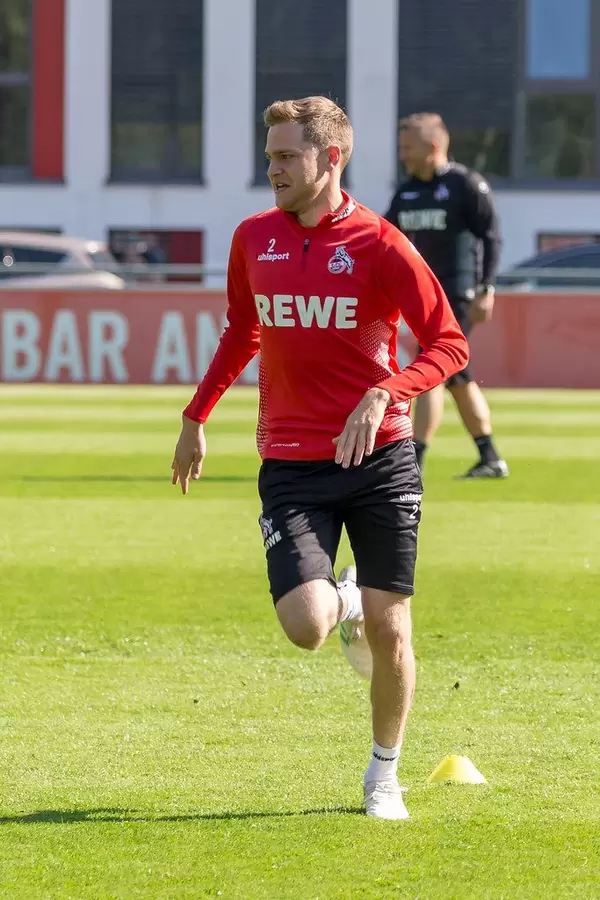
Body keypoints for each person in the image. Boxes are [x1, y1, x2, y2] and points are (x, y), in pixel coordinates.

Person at [171, 97, 468, 820]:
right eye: (269, 156)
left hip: (382, 456)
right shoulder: (253, 239)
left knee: (393, 626)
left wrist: (385, 392)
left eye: (285, 157)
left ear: (331, 159)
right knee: (306, 626)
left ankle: (383, 777)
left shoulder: (382, 244)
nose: (270, 169)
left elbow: (450, 344)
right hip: (293, 463)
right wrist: (195, 415)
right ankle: (344, 598)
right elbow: (243, 331)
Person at [385, 112, 509, 479]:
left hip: (456, 294)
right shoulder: (406, 192)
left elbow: (492, 236)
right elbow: (386, 240)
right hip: (421, 299)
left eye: (409, 148)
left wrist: (486, 288)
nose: (403, 155)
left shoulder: (464, 185)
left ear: (433, 147)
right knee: (456, 375)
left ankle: (414, 461)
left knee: (432, 369)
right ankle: (489, 456)